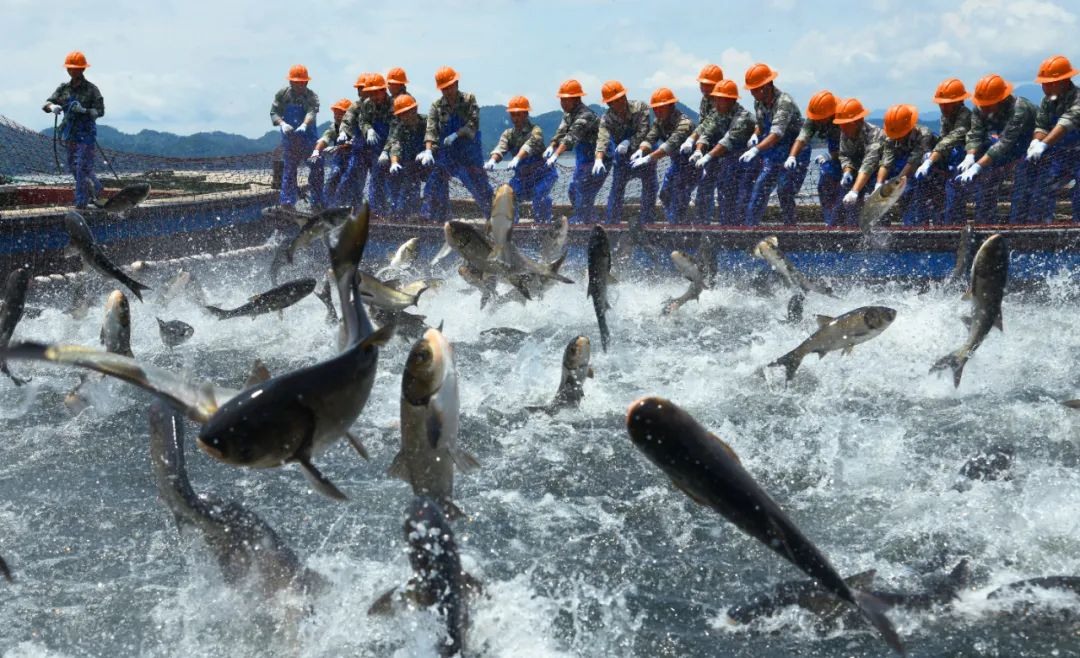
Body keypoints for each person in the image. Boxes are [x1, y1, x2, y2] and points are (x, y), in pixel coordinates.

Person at [956, 73, 1037, 224]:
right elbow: (975, 134)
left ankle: (1017, 229)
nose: (984, 109)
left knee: (1022, 187)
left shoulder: (1020, 109)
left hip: (1030, 149)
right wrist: (970, 156)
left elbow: (1006, 141)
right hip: (1003, 150)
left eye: (988, 105)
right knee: (985, 183)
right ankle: (984, 225)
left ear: (1001, 100)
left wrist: (977, 166)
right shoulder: (980, 108)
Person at [418, 66, 493, 221]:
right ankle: (431, 218)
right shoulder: (436, 106)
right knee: (434, 183)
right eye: (444, 88)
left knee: (481, 188)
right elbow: (431, 129)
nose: (447, 90)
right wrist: (428, 150)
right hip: (448, 155)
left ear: (456, 83)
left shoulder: (469, 99)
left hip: (469, 154)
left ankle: (494, 219)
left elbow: (473, 123)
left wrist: (456, 134)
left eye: (450, 86)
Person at [740, 64, 809, 225]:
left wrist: (756, 149)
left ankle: (790, 229)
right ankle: (751, 228)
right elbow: (761, 124)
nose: (752, 93)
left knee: (785, 189)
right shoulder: (758, 103)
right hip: (774, 152)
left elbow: (776, 134)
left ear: (766, 86)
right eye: (751, 89)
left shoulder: (784, 102)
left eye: (755, 89)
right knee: (759, 188)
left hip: (795, 151)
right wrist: (755, 135)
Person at [43, 51, 104, 209]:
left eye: (76, 68)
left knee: (82, 167)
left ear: (83, 69)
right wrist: (53, 107)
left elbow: (100, 111)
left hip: (86, 134)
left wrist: (85, 110)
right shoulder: (63, 88)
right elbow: (46, 104)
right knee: (72, 166)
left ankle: (81, 203)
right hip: (70, 134)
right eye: (70, 68)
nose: (73, 71)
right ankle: (96, 187)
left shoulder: (92, 89)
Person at [690, 79, 756, 225]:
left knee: (741, 195)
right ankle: (725, 226)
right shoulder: (718, 112)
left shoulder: (742, 117)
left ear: (731, 100)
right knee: (722, 189)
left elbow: (727, 141)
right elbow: (706, 132)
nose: (716, 104)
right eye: (715, 100)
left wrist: (708, 156)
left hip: (748, 160)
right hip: (730, 158)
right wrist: (699, 150)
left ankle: (742, 229)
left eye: (720, 100)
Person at [485, 96, 557, 223]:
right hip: (522, 178)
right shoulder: (508, 134)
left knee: (540, 195)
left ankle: (544, 225)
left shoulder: (536, 130)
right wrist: (492, 160)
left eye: (518, 115)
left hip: (543, 175)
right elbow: (501, 147)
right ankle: (512, 226)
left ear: (526, 114)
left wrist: (517, 158)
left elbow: (530, 144)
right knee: (509, 196)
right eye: (513, 115)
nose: (515, 118)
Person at [1026, 55, 1080, 223]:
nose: (1044, 87)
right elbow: (1041, 125)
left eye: (1049, 83)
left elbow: (1066, 122)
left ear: (1064, 81)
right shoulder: (1047, 100)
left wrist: (1043, 145)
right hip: (1060, 155)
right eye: (1043, 83)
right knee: (1042, 189)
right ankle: (1039, 230)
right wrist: (1035, 142)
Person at [593, 80, 656, 226]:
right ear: (609, 103)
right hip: (622, 158)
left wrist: (629, 142)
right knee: (616, 190)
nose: (620, 101)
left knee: (650, 188)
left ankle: (647, 223)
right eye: (615, 100)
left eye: (622, 97)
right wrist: (598, 159)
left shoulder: (641, 107)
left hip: (644, 153)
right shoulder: (606, 119)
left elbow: (645, 131)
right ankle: (612, 224)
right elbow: (602, 140)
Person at [631, 88, 695, 223]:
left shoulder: (684, 123)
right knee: (665, 194)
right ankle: (673, 223)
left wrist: (648, 158)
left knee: (679, 198)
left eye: (661, 108)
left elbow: (669, 145)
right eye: (655, 109)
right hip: (677, 165)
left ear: (671, 106)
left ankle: (677, 228)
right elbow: (650, 138)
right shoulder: (659, 122)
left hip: (693, 166)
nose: (657, 112)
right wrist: (641, 150)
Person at [914, 78, 973, 225]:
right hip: (949, 158)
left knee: (953, 192)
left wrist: (931, 159)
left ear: (958, 102)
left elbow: (952, 139)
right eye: (941, 104)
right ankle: (934, 222)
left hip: (966, 159)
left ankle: (953, 225)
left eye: (946, 104)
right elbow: (943, 139)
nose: (943, 107)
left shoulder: (966, 116)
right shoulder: (945, 117)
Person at [546, 80, 605, 224]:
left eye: (566, 100)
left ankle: (585, 221)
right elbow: (561, 133)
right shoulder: (568, 115)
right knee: (573, 190)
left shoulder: (585, 116)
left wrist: (555, 155)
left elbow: (570, 138)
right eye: (561, 99)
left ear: (577, 99)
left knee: (584, 189)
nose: (562, 103)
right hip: (583, 159)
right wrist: (551, 146)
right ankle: (588, 219)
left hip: (600, 158)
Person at [785, 91, 843, 226]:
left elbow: (849, 149)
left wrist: (829, 155)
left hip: (853, 158)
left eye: (820, 118)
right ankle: (831, 224)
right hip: (835, 155)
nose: (817, 121)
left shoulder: (843, 118)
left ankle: (849, 225)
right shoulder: (816, 117)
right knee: (824, 184)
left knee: (845, 190)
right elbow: (802, 137)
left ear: (830, 114)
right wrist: (792, 156)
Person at [270, 65, 322, 210]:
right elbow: (274, 112)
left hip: (308, 139)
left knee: (317, 168)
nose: (299, 85)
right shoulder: (282, 94)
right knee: (289, 170)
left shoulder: (312, 96)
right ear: (290, 82)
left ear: (306, 82)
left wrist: (305, 124)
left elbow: (312, 112)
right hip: (290, 140)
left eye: (302, 82)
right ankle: (287, 203)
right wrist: (282, 123)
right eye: (296, 82)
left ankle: (317, 202)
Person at [877, 104, 937, 225]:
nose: (897, 139)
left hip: (925, 170)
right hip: (904, 169)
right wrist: (879, 184)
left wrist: (895, 184)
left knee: (914, 193)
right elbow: (886, 162)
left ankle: (916, 227)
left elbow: (913, 161)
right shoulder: (890, 137)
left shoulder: (924, 135)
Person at [835, 97, 884, 226]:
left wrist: (855, 191)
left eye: (846, 124)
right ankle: (847, 228)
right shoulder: (845, 132)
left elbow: (869, 162)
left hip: (876, 173)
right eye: (841, 124)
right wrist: (847, 171)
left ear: (858, 121)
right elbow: (845, 155)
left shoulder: (875, 134)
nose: (842, 128)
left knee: (878, 199)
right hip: (857, 173)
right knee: (844, 197)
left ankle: (882, 230)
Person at [384, 94, 428, 220]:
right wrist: (394, 162)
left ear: (414, 110)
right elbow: (395, 145)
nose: (405, 116)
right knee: (401, 179)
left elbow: (435, 139)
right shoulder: (400, 128)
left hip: (429, 161)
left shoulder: (427, 122)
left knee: (436, 179)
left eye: (407, 112)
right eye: (402, 114)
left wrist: (427, 151)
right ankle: (398, 213)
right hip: (410, 164)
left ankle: (430, 214)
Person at [359, 73, 395, 215]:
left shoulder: (394, 104)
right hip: (376, 147)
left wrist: (386, 151)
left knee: (393, 179)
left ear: (383, 90)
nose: (373, 97)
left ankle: (394, 213)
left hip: (394, 147)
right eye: (370, 93)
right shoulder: (367, 104)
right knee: (376, 178)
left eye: (376, 93)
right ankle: (375, 212)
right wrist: (369, 130)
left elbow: (396, 131)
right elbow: (363, 121)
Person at [334, 73, 372, 207]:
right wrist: (343, 132)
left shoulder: (379, 105)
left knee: (378, 180)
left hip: (376, 149)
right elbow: (347, 120)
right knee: (351, 176)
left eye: (363, 88)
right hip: (359, 149)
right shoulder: (355, 106)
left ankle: (376, 211)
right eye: (359, 88)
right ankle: (338, 205)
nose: (360, 91)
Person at [308, 98, 353, 206]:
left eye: (341, 114)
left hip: (354, 158)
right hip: (339, 159)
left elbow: (356, 142)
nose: (337, 116)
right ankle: (327, 205)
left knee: (348, 180)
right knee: (334, 174)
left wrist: (340, 147)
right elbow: (324, 139)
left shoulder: (355, 127)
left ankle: (350, 205)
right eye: (336, 113)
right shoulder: (334, 127)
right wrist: (315, 152)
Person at [677, 64, 724, 160]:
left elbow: (709, 123)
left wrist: (692, 139)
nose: (704, 88)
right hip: (710, 141)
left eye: (708, 85)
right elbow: (702, 123)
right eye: (702, 84)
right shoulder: (705, 100)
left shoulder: (723, 101)